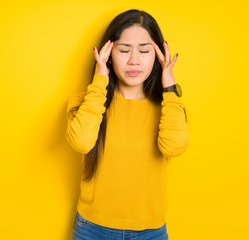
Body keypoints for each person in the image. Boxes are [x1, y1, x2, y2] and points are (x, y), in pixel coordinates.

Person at [66, 9, 189, 240]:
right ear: (108, 53)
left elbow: (174, 147)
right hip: (91, 229)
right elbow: (81, 142)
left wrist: (169, 87)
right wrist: (100, 80)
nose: (134, 60)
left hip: (150, 232)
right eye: (124, 50)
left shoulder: (168, 108)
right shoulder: (86, 101)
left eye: (144, 51)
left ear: (157, 56)